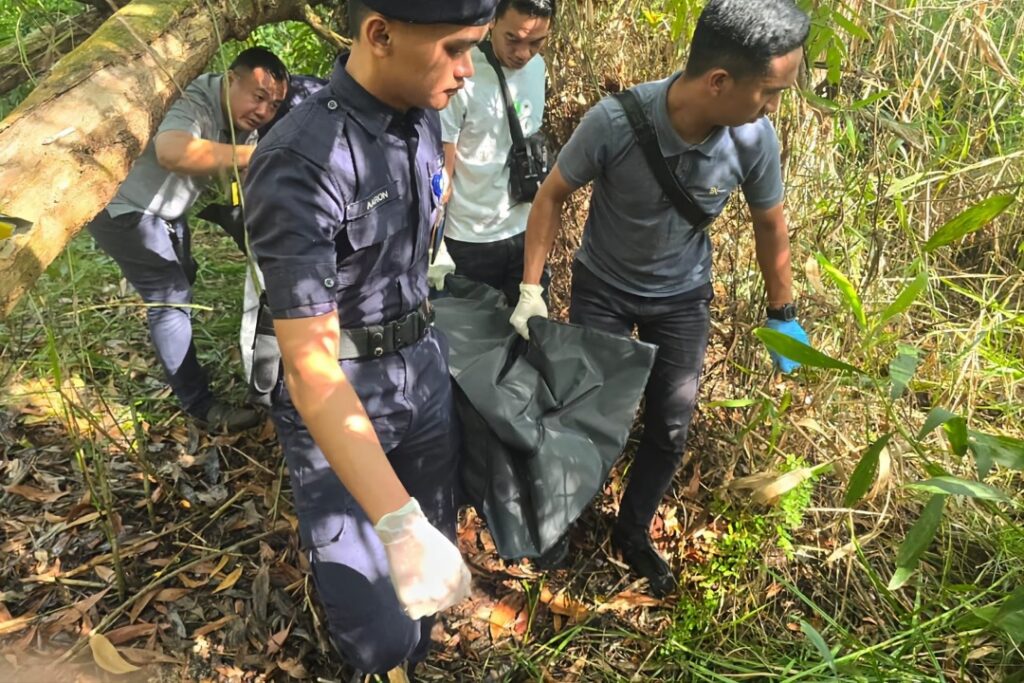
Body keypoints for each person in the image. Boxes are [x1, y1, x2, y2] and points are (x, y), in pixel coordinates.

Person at [510, 0, 814, 596]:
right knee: (585, 413)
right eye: (770, 92)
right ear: (720, 81)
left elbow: (770, 223)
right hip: (603, 286)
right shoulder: (616, 122)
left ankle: (632, 531)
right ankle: (560, 523)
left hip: (680, 299)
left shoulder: (752, 139)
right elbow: (551, 196)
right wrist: (530, 289)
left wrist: (784, 315)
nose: (774, 107)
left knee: (671, 425)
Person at [242, 1, 495, 677]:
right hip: (343, 395)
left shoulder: (423, 109)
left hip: (421, 370)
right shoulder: (301, 160)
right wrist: (398, 523)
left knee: (425, 610)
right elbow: (310, 367)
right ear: (379, 34)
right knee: (378, 627)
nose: (468, 71)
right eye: (454, 48)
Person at [86, 47, 288, 433]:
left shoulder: (245, 121)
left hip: (168, 211)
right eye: (258, 96)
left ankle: (182, 361)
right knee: (170, 296)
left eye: (274, 105)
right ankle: (200, 404)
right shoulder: (194, 96)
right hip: (125, 207)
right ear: (230, 80)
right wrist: (260, 156)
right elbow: (172, 151)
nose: (263, 111)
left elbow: (246, 179)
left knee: (184, 281)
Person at [429, 0, 554, 304]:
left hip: (525, 231)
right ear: (493, 21)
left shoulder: (538, 69)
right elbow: (444, 170)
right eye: (513, 39)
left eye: (536, 42)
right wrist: (433, 245)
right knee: (474, 344)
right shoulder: (462, 74)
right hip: (470, 240)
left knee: (526, 339)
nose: (523, 53)